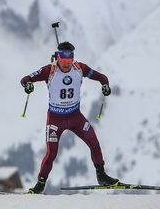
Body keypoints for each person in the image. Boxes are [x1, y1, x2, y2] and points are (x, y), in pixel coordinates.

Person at [20, 41, 118, 194]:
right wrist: (28, 85)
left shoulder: (79, 68)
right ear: (57, 57)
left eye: (69, 59)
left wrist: (105, 86)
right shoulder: (49, 70)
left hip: (75, 117)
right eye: (63, 59)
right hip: (55, 119)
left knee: (94, 142)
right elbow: (25, 79)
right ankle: (40, 184)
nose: (66, 63)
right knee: (51, 152)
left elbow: (102, 77)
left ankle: (102, 176)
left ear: (73, 58)